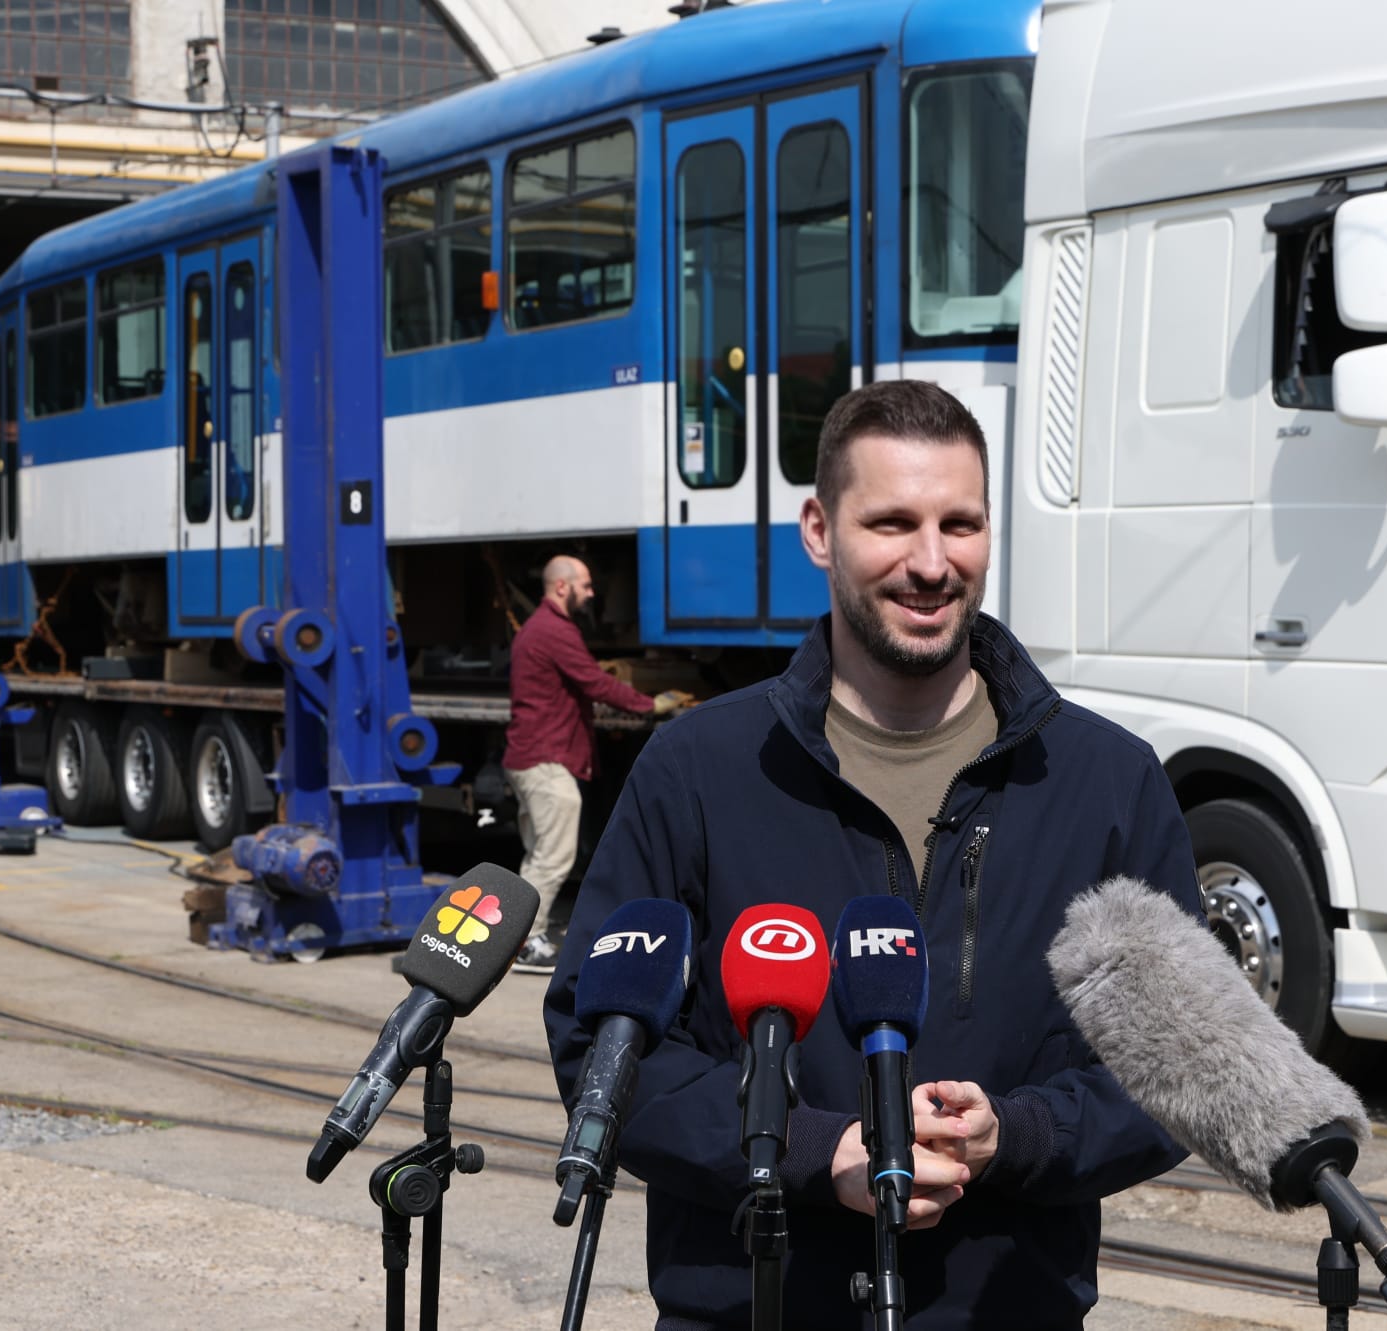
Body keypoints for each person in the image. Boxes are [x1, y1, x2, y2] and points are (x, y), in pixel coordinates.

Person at [544, 380, 1203, 1329]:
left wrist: (1016, 1134)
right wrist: (812, 1150)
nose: (931, 562)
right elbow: (602, 1045)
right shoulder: (696, 769)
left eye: (960, 524)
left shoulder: (1108, 782)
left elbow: (1179, 1068)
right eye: (892, 523)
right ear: (820, 531)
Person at [506, 554, 680, 973]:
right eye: (584, 585)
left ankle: (515, 937)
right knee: (554, 857)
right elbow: (595, 681)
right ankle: (526, 944)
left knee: (538, 855)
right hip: (546, 761)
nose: (591, 592)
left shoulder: (540, 627)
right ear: (561, 586)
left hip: (531, 756)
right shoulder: (553, 630)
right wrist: (649, 705)